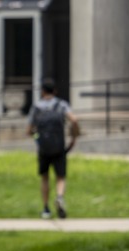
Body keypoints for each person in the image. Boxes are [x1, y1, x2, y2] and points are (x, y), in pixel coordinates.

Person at [27, 78, 80, 219]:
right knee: (60, 177)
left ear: (42, 91)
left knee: (44, 177)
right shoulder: (61, 105)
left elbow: (29, 130)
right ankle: (60, 197)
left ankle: (45, 209)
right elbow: (74, 119)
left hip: (43, 148)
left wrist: (37, 137)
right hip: (59, 147)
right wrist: (74, 136)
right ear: (55, 91)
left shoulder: (37, 107)